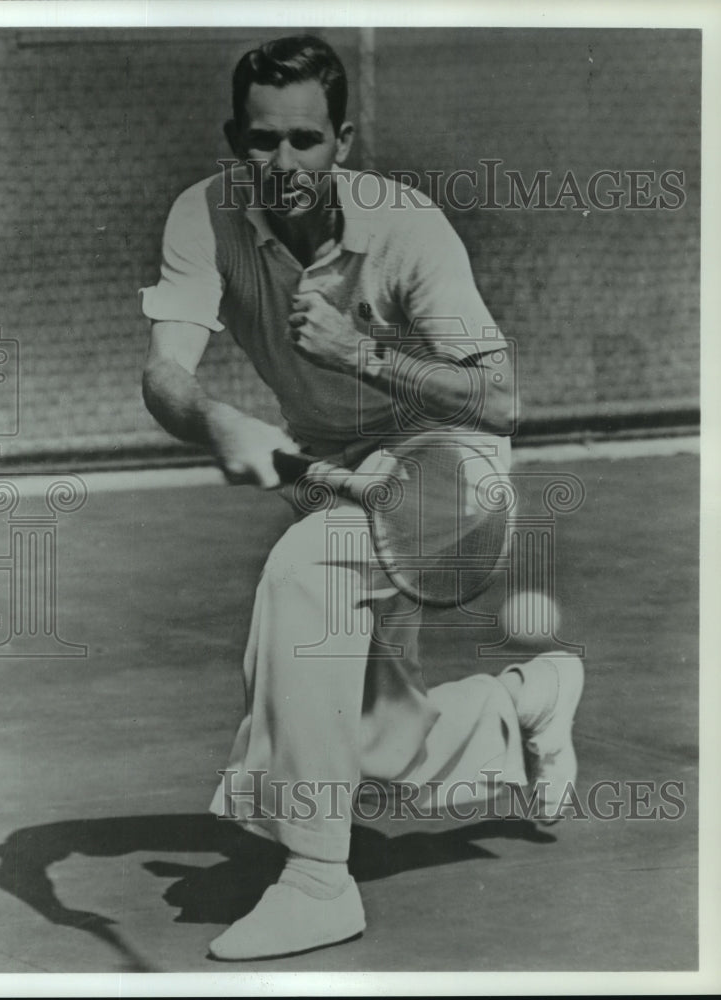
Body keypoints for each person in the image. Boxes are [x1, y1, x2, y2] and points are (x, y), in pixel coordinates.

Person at [140, 34, 584, 961]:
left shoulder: (407, 229)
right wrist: (218, 420)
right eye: (263, 141)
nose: (283, 163)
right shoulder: (203, 215)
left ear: (342, 140)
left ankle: (316, 881)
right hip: (331, 471)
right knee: (370, 737)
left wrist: (361, 353)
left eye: (306, 141)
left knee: (303, 581)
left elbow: (502, 401)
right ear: (235, 138)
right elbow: (166, 376)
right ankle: (523, 703)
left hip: (451, 466)